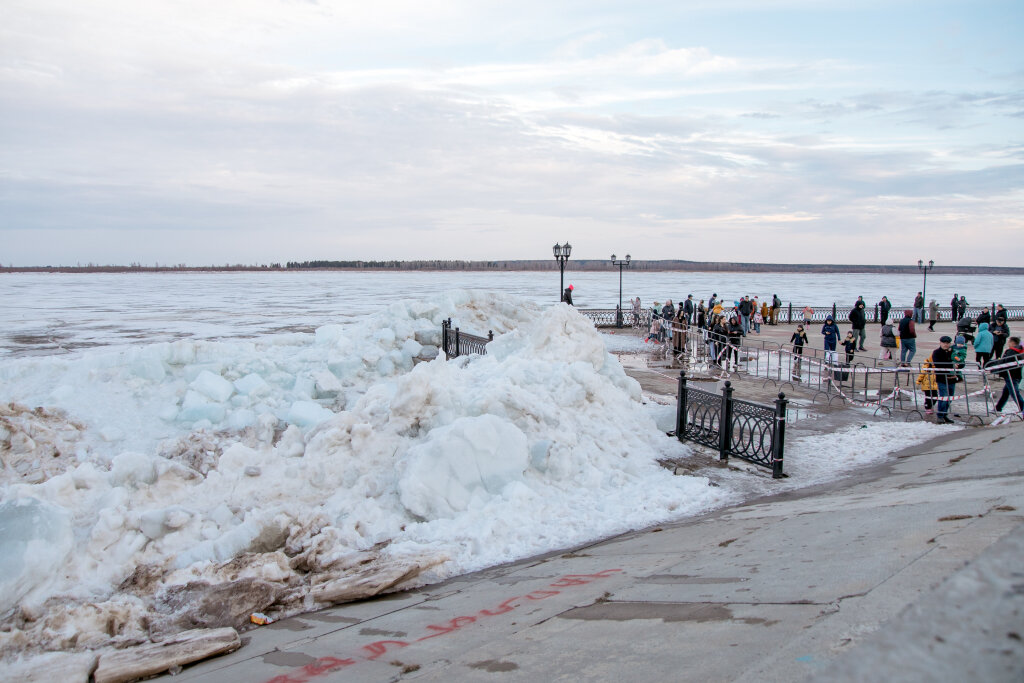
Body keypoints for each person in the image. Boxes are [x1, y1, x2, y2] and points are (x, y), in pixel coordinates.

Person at [989, 336, 1023, 414]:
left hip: (1010, 374)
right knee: (1006, 393)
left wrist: (995, 364)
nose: (1008, 343)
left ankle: (1022, 408)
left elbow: (1005, 362)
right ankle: (998, 408)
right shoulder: (1019, 351)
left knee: (1014, 393)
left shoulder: (1011, 351)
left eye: (1009, 342)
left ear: (1013, 343)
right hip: (1015, 374)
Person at [930, 335, 960, 424]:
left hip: (952, 378)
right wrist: (951, 364)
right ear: (940, 343)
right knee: (944, 397)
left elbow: (960, 361)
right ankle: (940, 415)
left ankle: (944, 414)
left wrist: (958, 364)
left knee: (950, 398)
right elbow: (938, 364)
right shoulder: (936, 352)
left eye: (948, 343)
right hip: (942, 378)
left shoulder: (953, 352)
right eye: (944, 343)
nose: (946, 345)